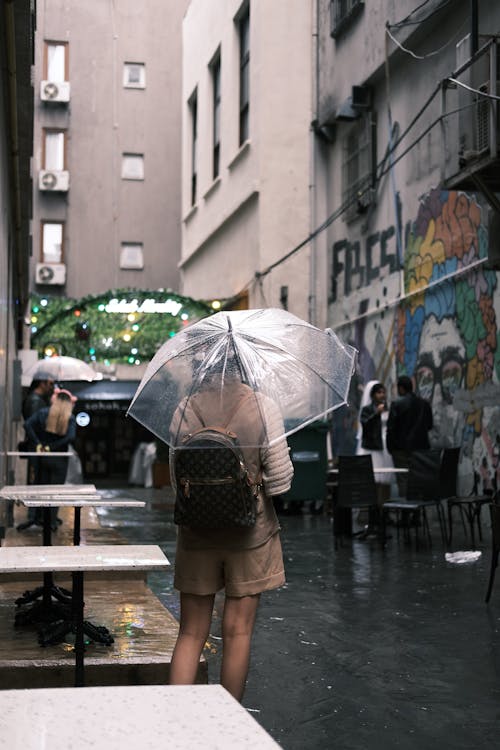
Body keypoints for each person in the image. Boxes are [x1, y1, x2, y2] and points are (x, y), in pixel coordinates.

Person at [168, 370, 294, 702]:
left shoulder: (184, 408)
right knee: (238, 633)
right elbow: (281, 483)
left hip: (196, 534)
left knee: (191, 633)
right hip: (249, 535)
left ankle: (174, 721)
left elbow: (175, 479)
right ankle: (228, 725)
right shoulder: (263, 406)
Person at [24, 388, 77, 530]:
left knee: (43, 489)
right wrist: (54, 446)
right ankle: (51, 522)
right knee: (56, 491)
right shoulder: (69, 418)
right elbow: (71, 437)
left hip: (43, 457)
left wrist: (39, 443)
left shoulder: (44, 413)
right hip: (60, 459)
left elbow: (27, 424)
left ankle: (41, 518)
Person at [17, 377, 55, 530]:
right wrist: (39, 442)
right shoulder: (35, 401)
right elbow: (33, 424)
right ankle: (33, 516)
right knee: (36, 480)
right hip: (37, 448)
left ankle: (36, 515)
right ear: (42, 383)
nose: (52, 387)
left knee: (38, 480)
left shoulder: (37, 399)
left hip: (37, 447)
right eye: (50, 383)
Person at [386, 375, 433, 494]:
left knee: (403, 480)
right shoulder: (424, 404)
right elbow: (429, 425)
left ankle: (406, 510)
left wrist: (391, 448)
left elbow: (391, 428)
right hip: (421, 450)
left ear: (401, 388)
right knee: (418, 479)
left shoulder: (397, 404)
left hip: (401, 450)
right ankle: (417, 509)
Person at [357, 380, 394, 508]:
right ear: (373, 395)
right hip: (373, 447)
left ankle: (385, 508)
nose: (382, 395)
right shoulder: (367, 409)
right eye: (379, 393)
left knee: (386, 481)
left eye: (384, 392)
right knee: (374, 479)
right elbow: (365, 425)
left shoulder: (388, 408)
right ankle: (372, 509)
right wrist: (376, 414)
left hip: (386, 447)